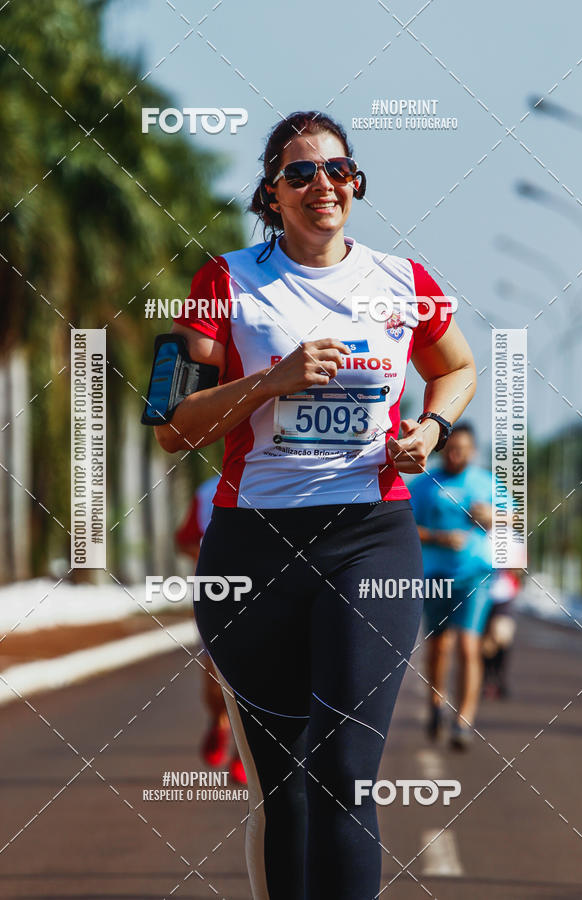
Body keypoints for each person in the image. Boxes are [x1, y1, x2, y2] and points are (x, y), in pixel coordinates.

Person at [153, 110, 476, 900]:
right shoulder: (223, 281)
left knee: (345, 774)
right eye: (299, 173)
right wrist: (273, 379)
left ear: (355, 183)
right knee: (285, 788)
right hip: (253, 549)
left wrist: (431, 429)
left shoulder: (404, 282)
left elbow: (457, 368)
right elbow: (170, 426)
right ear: (272, 193)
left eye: (337, 169)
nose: (321, 184)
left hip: (369, 538)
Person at [409, 423, 494, 750]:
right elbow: (407, 527)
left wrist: (494, 516)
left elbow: (515, 519)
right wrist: (440, 538)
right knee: (439, 646)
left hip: (475, 575)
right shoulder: (424, 484)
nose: (456, 455)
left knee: (469, 646)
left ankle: (463, 722)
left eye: (462, 449)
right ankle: (436, 703)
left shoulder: (487, 483)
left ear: (473, 451)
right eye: (451, 449)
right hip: (435, 577)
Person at [174, 475, 246, 784]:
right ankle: (218, 721)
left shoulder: (284, 479)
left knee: (260, 676)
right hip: (218, 591)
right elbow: (185, 540)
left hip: (267, 589)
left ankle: (244, 755)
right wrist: (211, 556)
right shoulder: (207, 491)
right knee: (215, 678)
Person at [481, 568, 522, 699]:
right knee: (485, 644)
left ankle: (500, 678)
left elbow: (519, 568)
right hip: (481, 595)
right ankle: (486, 679)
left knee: (502, 636)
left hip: (504, 597)